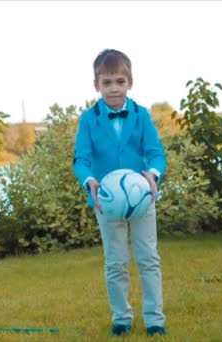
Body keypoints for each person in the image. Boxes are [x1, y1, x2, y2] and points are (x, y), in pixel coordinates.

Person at [73, 49, 167, 337]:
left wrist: (152, 174)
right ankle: (122, 318)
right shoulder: (89, 119)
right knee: (115, 261)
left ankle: (155, 320)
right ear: (96, 85)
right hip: (107, 202)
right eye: (107, 83)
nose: (113, 88)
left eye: (119, 82)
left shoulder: (141, 115)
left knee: (148, 258)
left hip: (141, 199)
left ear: (130, 82)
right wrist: (89, 180)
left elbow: (156, 154)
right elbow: (82, 158)